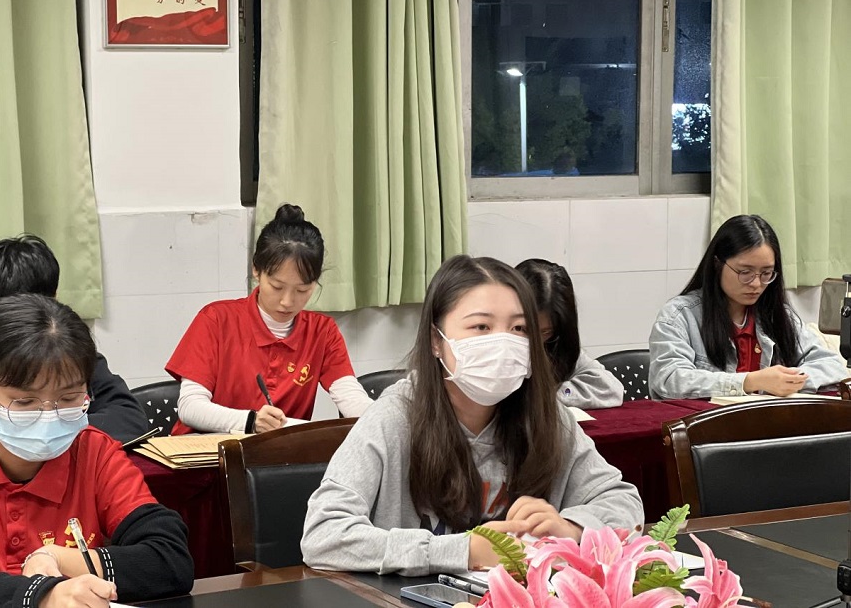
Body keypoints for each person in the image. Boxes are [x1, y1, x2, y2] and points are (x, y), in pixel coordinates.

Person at [301, 255, 642, 575]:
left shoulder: (546, 415)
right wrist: (463, 551)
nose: (502, 344)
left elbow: (623, 501)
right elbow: (324, 535)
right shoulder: (394, 418)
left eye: (519, 329)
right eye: (481, 327)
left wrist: (573, 528)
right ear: (436, 340)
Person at [0, 294, 193, 607]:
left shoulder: (94, 452)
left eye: (68, 399)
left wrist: (59, 558)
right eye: (25, 402)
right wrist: (42, 595)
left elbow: (169, 558)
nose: (49, 415)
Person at [167, 204, 372, 434]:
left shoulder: (322, 332)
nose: (287, 301)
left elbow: (350, 396)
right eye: (276, 286)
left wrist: (384, 416)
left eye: (302, 290)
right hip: (204, 451)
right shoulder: (216, 320)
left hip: (276, 454)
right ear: (256, 270)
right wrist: (250, 421)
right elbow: (190, 407)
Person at [0, 234, 148, 444]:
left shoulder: (65, 349)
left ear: (54, 302)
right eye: (23, 401)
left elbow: (128, 419)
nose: (17, 334)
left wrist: (56, 431)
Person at [649, 214, 849, 399]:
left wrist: (787, 381)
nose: (756, 283)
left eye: (766, 273)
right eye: (745, 272)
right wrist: (751, 382)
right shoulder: (679, 316)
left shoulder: (776, 315)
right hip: (705, 424)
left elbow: (832, 366)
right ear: (718, 264)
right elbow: (669, 379)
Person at [516, 259, 624, 409]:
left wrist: (552, 396)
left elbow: (610, 389)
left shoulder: (555, 344)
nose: (535, 342)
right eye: (525, 330)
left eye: (545, 332)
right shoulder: (494, 348)